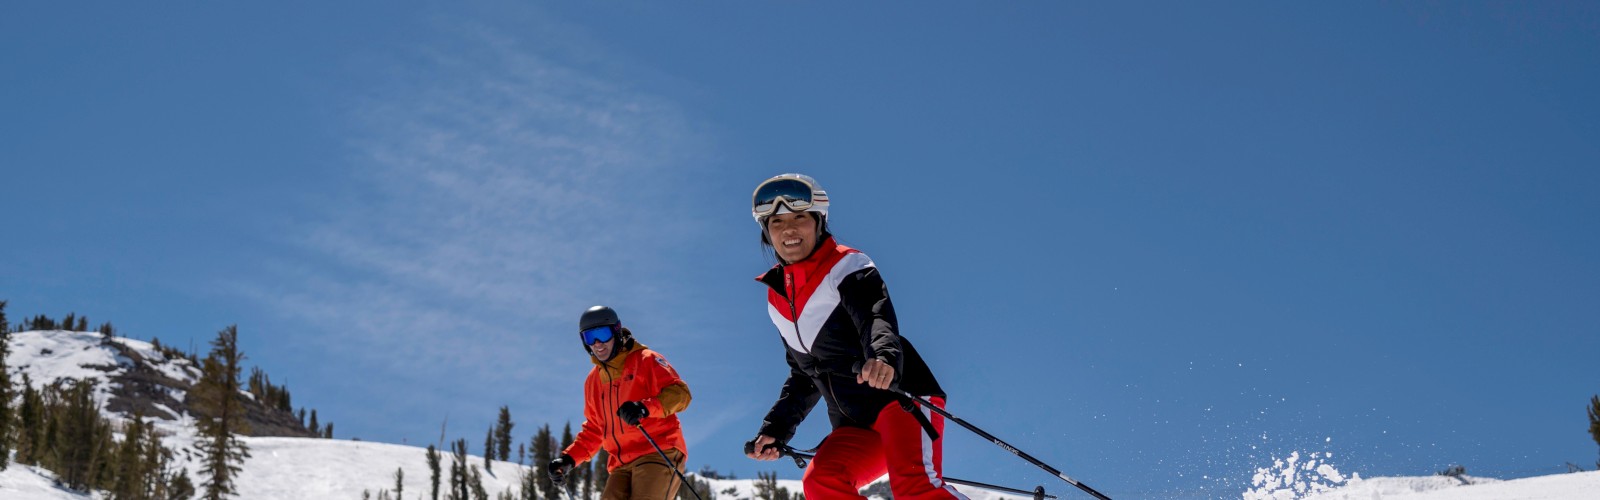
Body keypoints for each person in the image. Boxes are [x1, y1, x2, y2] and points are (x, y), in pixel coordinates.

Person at [743, 174, 966, 500]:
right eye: (777, 222)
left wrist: (882, 358)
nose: (788, 229)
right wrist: (775, 429)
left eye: (799, 218)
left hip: (900, 399)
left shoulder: (847, 265)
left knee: (916, 489)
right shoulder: (778, 299)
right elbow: (804, 374)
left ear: (818, 221)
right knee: (822, 482)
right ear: (767, 231)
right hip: (854, 424)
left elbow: (875, 319)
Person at [549, 305, 692, 500]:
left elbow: (681, 394)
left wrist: (644, 408)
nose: (598, 344)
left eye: (603, 334)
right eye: (590, 337)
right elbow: (594, 429)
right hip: (620, 464)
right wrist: (568, 459)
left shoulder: (645, 360)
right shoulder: (593, 381)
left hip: (657, 451)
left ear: (616, 331)